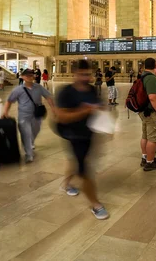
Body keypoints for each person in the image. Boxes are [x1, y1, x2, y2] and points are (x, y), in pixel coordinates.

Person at [55, 59, 109, 220]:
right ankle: (96, 205)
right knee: (85, 170)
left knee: (76, 160)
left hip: (87, 134)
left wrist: (103, 115)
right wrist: (84, 111)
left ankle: (66, 184)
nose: (85, 78)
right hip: (72, 134)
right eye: (82, 74)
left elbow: (98, 107)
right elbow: (62, 117)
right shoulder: (66, 92)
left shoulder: (92, 90)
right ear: (75, 74)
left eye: (88, 74)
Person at [2, 68, 54, 163]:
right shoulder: (18, 89)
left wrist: (53, 109)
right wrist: (5, 112)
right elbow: (9, 101)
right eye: (28, 75)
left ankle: (31, 142)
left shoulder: (38, 87)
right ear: (23, 77)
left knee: (35, 130)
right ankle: (29, 154)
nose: (30, 77)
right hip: (23, 115)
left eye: (31, 75)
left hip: (37, 115)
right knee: (26, 133)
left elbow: (48, 97)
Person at [138, 58, 156, 170]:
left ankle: (145, 157)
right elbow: (152, 97)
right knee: (153, 138)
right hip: (152, 113)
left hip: (146, 112)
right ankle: (149, 163)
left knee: (146, 135)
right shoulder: (151, 78)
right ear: (154, 66)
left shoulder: (143, 76)